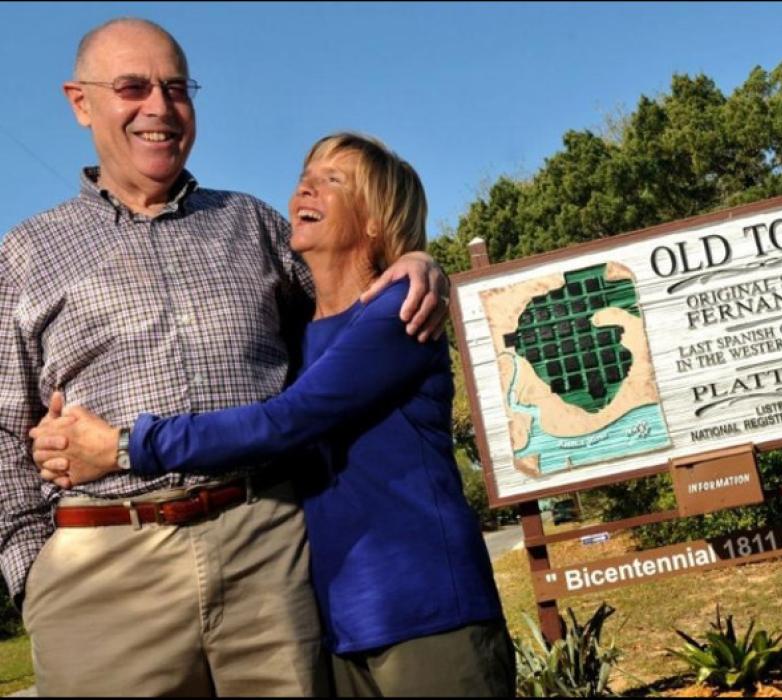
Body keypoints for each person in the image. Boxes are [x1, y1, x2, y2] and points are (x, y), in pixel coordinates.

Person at [0, 17, 448, 697]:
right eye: (132, 87)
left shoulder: (256, 224)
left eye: (177, 88)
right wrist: (32, 571)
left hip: (264, 548)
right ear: (80, 101)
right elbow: (4, 430)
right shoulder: (26, 254)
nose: (160, 108)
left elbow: (354, 316)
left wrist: (415, 258)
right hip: (103, 563)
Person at [32, 132, 516, 697]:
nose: (306, 185)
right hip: (340, 624)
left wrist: (123, 446)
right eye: (306, 173)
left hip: (428, 610)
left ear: (375, 222)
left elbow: (285, 421)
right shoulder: (299, 332)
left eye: (334, 180)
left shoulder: (397, 315)